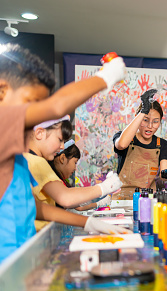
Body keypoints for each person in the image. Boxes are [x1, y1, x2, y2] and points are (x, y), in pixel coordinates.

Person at [0, 44, 129, 263]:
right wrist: (106, 77)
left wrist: (87, 223)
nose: (37, 116)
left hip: (23, 263)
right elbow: (58, 106)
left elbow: (35, 208)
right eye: (32, 104)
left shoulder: (18, 161)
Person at [25, 118, 123, 230]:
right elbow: (65, 197)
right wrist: (105, 187)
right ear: (39, 133)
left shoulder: (25, 159)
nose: (62, 146)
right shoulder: (37, 162)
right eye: (60, 139)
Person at [112, 89, 167, 199]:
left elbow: (163, 175)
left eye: (155, 121)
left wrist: (166, 174)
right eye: (145, 120)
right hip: (122, 199)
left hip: (147, 199)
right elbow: (122, 144)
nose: (150, 126)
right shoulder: (124, 137)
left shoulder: (163, 145)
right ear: (138, 117)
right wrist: (143, 112)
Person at [48, 140, 111, 211]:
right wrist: (101, 190)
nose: (75, 168)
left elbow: (77, 205)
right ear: (62, 158)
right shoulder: (53, 181)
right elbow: (70, 200)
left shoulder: (60, 181)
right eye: (75, 162)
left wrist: (98, 203)